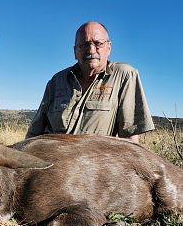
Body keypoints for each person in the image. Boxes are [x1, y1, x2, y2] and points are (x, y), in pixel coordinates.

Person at [26, 21, 155, 143]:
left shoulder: (124, 75)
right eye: (84, 45)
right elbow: (33, 134)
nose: (91, 50)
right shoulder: (57, 81)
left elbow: (130, 140)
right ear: (75, 52)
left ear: (109, 48)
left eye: (98, 43)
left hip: (94, 164)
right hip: (52, 160)